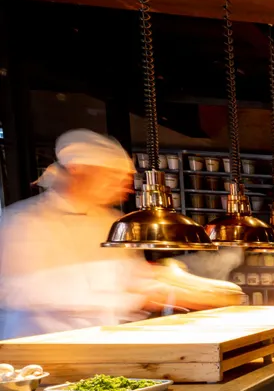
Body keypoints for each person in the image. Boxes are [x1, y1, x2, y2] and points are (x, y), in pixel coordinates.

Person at [0, 130, 240, 339]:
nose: (127, 187)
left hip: (106, 345)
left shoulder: (112, 221)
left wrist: (181, 283)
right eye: (115, 178)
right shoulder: (23, 221)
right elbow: (19, 291)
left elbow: (133, 277)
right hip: (39, 352)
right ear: (78, 170)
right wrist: (140, 295)